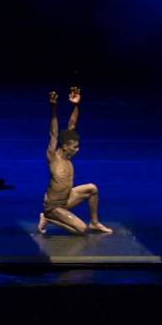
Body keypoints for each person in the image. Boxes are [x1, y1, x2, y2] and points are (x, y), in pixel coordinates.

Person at [38, 87, 112, 235]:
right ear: (65, 147)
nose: (77, 150)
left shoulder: (67, 156)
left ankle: (95, 222)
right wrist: (53, 108)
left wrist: (76, 105)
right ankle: (47, 217)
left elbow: (71, 125)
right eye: (75, 147)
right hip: (53, 206)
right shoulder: (53, 157)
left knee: (92, 188)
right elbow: (54, 133)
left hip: (66, 200)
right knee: (81, 230)